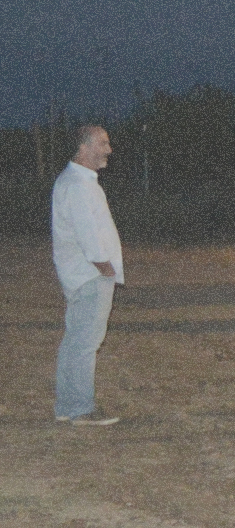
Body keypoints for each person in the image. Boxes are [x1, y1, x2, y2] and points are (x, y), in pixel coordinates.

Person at [52, 125, 123, 426]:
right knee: (85, 344)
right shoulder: (78, 184)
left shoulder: (77, 181)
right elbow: (87, 233)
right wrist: (104, 267)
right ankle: (81, 409)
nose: (109, 149)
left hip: (83, 274)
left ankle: (68, 405)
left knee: (76, 341)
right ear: (83, 147)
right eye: (102, 143)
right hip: (90, 275)